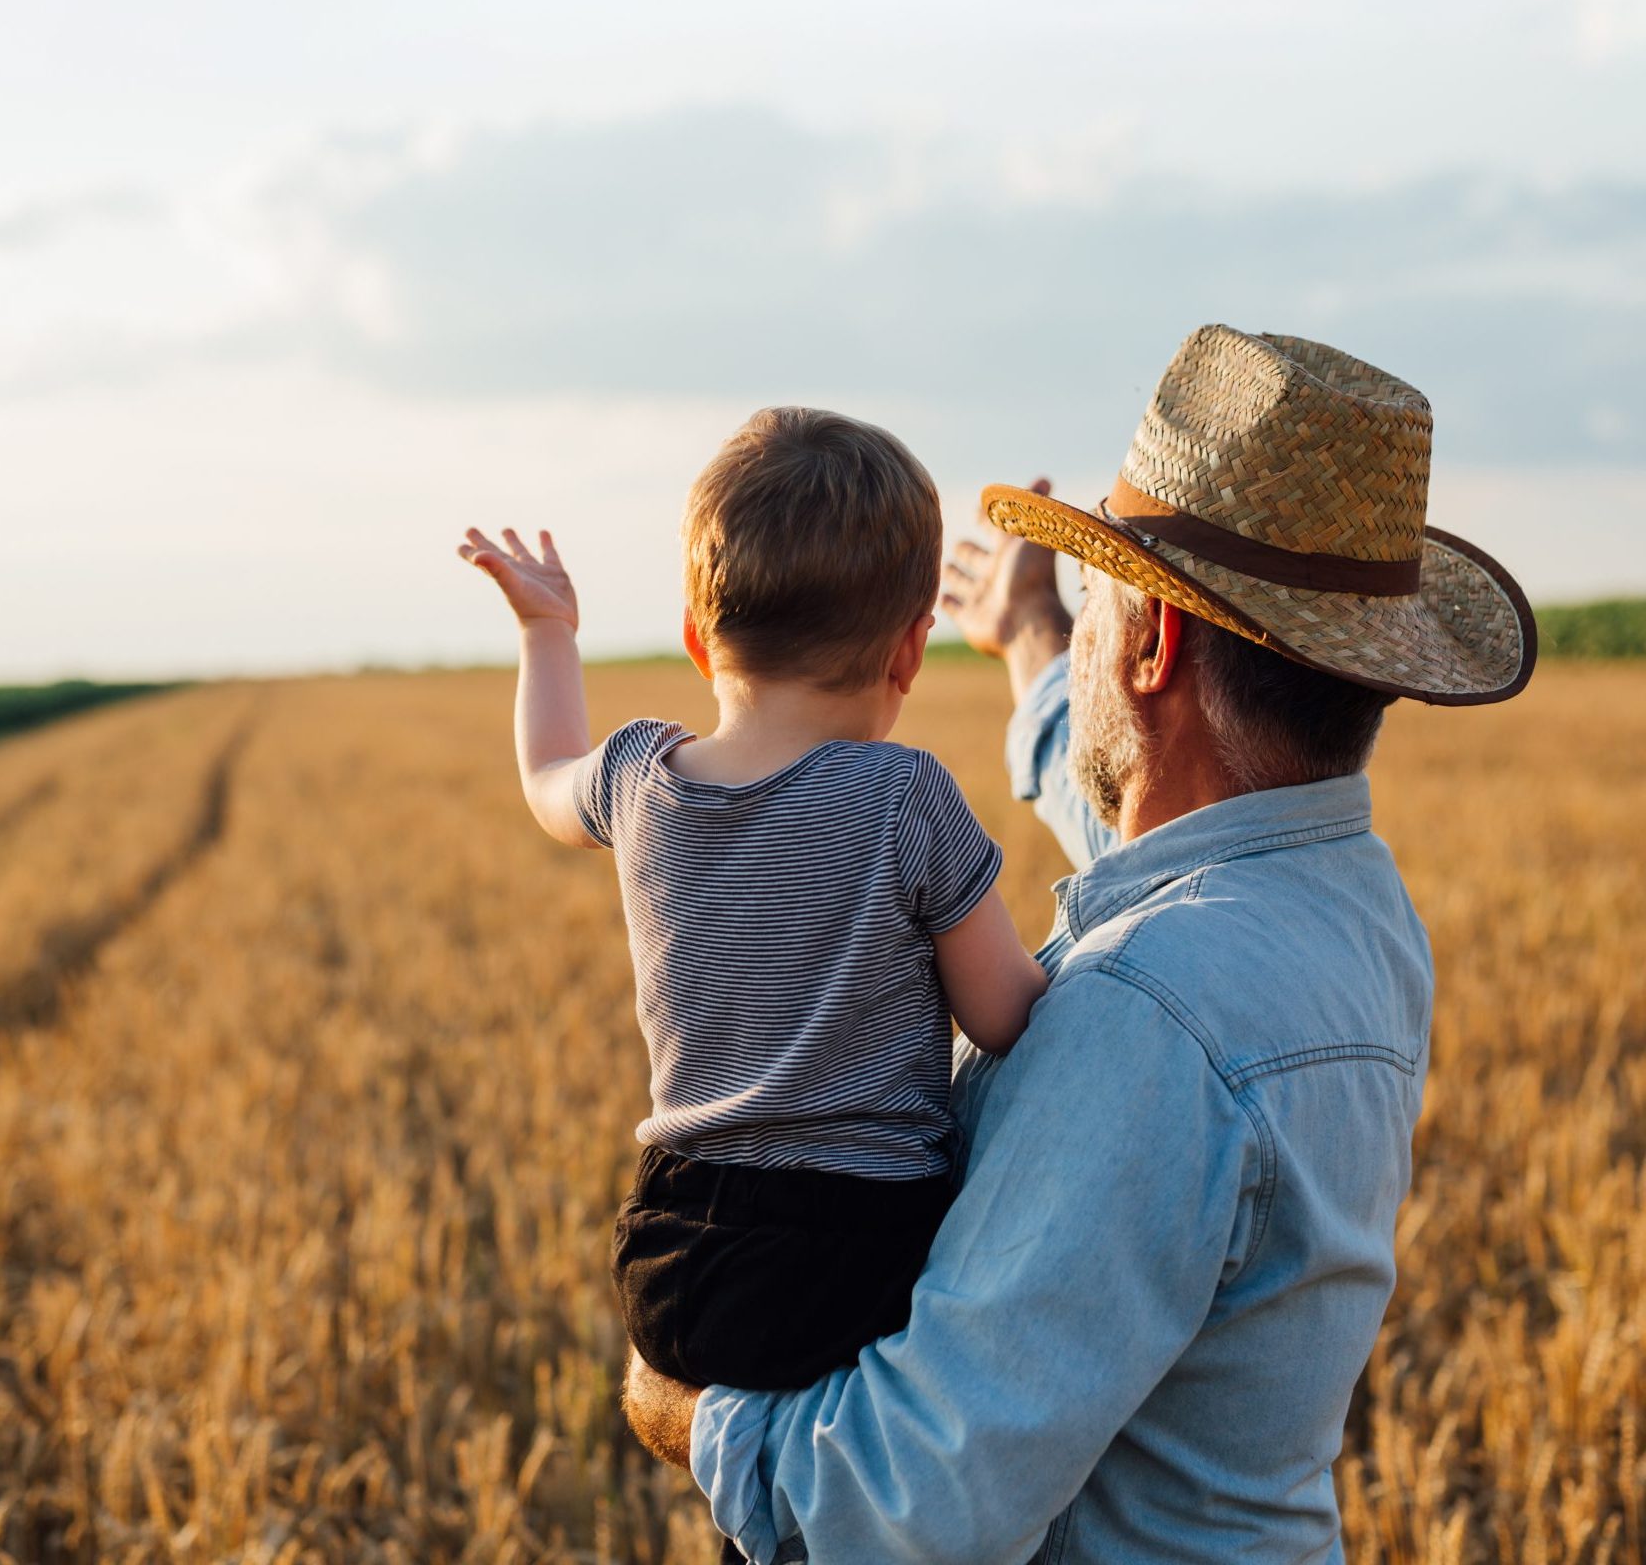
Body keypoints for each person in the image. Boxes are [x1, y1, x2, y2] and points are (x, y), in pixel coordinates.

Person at [623, 325, 1537, 1564]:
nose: (1087, 611)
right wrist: (1039, 642)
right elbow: (1127, 797)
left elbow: (908, 1508)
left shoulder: (1149, 1017)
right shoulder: (1346, 906)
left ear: (1153, 642)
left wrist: (684, 1411)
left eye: (1099, 587)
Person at [459, 405, 1046, 1414]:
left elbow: (548, 771)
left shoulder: (640, 775)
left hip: (676, 1252)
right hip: (865, 1252)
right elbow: (1005, 1016)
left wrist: (547, 632)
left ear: (697, 638)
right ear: (909, 652)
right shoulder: (906, 795)